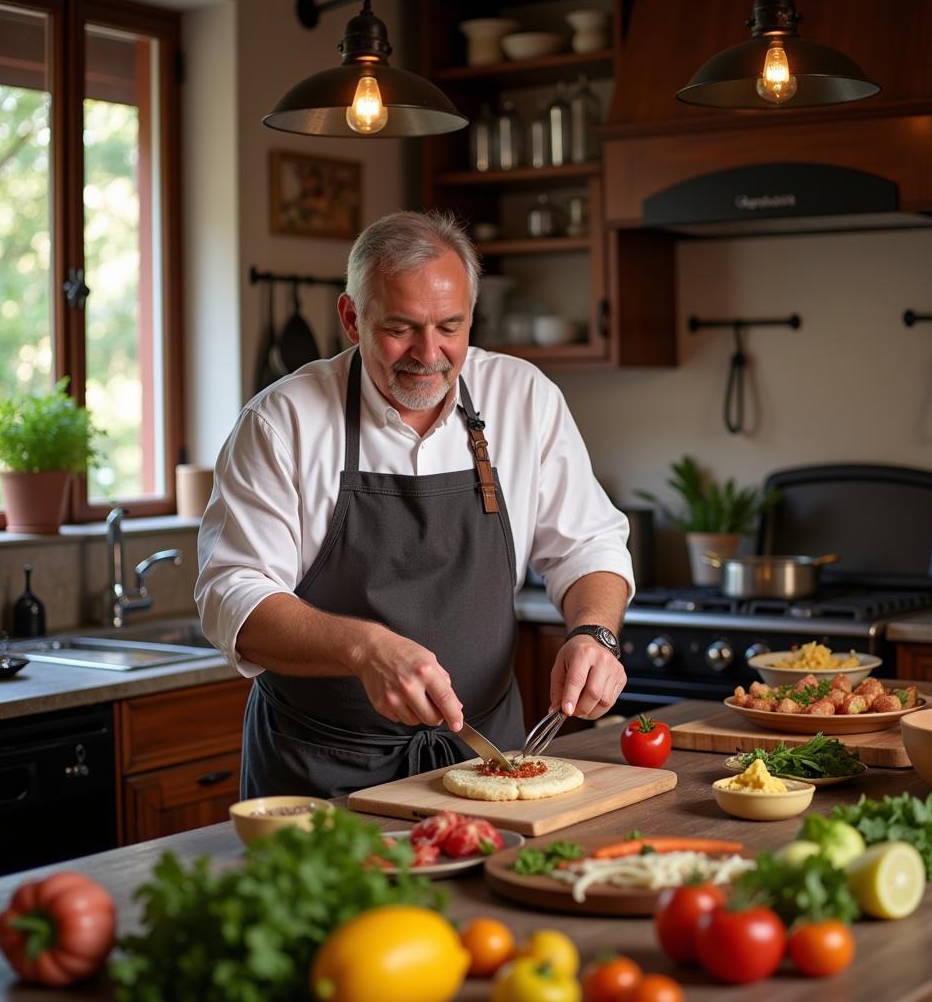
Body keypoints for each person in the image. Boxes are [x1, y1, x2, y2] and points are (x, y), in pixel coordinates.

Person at [196, 211, 634, 799]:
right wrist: (364, 648)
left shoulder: (525, 398)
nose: (429, 353)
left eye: (450, 327)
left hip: (486, 762)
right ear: (352, 318)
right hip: (321, 769)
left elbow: (590, 544)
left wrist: (594, 633)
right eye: (401, 328)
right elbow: (232, 596)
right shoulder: (283, 421)